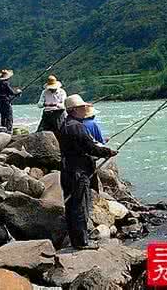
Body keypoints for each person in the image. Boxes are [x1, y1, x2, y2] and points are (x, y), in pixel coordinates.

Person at [59, 94, 118, 250]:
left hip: (68, 170)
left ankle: (76, 240)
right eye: (81, 107)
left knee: (71, 205)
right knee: (79, 206)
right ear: (73, 110)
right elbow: (90, 148)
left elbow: (84, 146)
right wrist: (108, 152)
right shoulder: (77, 127)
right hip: (78, 172)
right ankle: (82, 242)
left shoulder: (65, 125)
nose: (84, 109)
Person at [0, 69, 21, 134]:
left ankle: (3, 129)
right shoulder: (6, 83)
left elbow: (2, 94)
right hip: (6, 102)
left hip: (0, 102)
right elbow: (11, 92)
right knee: (9, 116)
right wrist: (17, 93)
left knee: (3, 116)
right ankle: (9, 130)